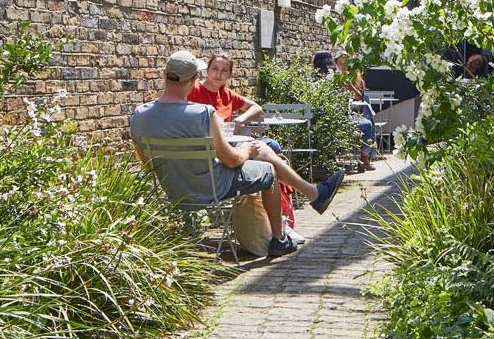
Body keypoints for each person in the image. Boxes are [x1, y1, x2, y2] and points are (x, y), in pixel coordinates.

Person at [133, 50, 345, 259]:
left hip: (174, 190)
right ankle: (280, 238)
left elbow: (148, 165)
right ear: (194, 79)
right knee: (269, 168)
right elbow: (232, 161)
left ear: (164, 74)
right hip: (213, 187)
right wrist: (247, 151)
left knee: (265, 150)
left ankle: (314, 194)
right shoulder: (203, 114)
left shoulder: (140, 115)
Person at [189, 50, 297, 233]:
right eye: (214, 69)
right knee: (272, 155)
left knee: (272, 147)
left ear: (230, 75)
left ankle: (280, 218)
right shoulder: (196, 90)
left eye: (224, 71)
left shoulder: (227, 94)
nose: (218, 74)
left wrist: (240, 120)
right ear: (207, 70)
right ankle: (281, 223)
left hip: (230, 147)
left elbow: (256, 107)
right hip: (213, 154)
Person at [314, 50, 376, 171]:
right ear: (334, 62)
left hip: (334, 117)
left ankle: (363, 157)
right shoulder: (335, 78)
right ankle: (365, 158)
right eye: (340, 63)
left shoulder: (354, 78)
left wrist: (351, 89)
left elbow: (360, 98)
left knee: (366, 119)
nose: (343, 66)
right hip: (339, 117)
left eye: (346, 63)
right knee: (368, 123)